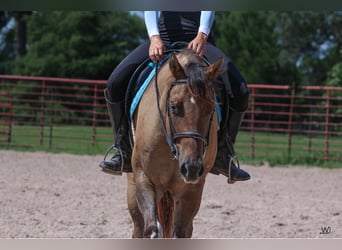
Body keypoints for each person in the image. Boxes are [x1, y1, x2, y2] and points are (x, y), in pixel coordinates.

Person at [99, 11, 250, 183]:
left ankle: (223, 154)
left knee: (240, 91)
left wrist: (202, 35)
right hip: (163, 38)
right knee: (114, 83)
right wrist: (154, 37)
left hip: (199, 42)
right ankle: (123, 149)